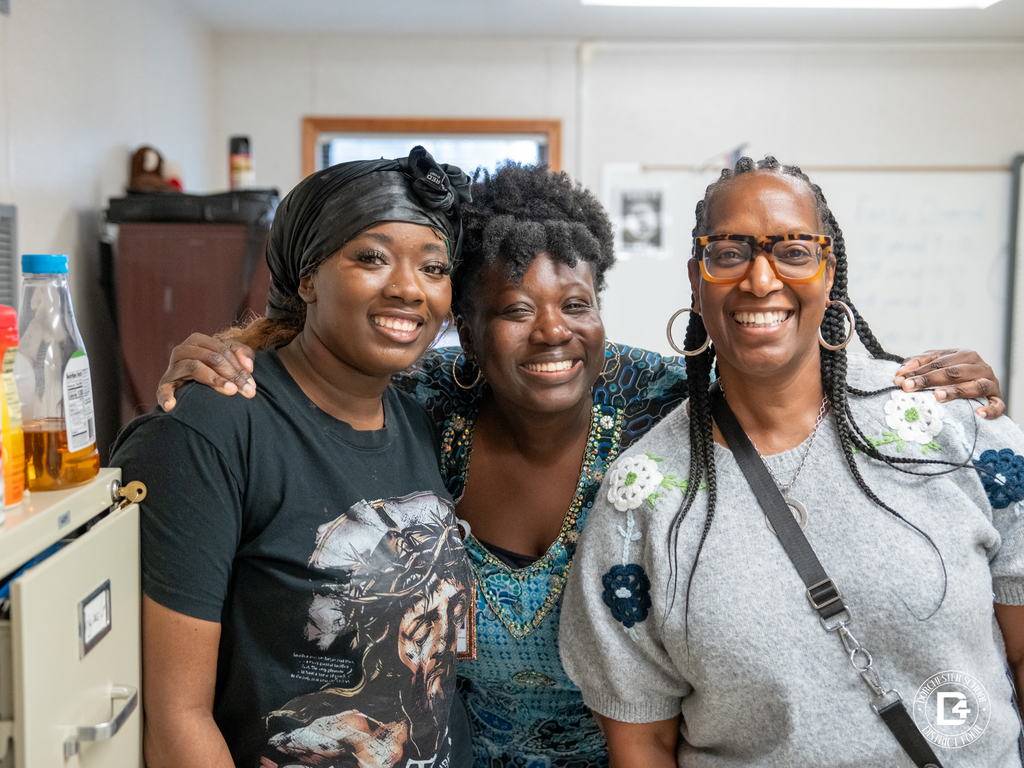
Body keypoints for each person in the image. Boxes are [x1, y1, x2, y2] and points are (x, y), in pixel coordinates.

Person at [154, 163, 1006, 768]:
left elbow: (768, 348)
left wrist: (924, 383)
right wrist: (225, 356)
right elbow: (331, 369)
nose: (553, 333)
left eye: (576, 305)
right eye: (513, 310)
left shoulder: (657, 400)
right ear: (469, 329)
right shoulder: (430, 409)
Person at [558, 157, 1024, 767]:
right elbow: (643, 743)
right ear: (697, 280)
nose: (760, 279)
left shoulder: (947, 425)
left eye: (794, 250)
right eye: (729, 252)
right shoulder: (642, 499)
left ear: (829, 274)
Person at [110, 147, 475, 768]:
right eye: (371, 257)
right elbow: (174, 719)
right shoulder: (210, 431)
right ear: (306, 277)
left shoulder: (419, 418)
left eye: (433, 267)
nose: (409, 288)